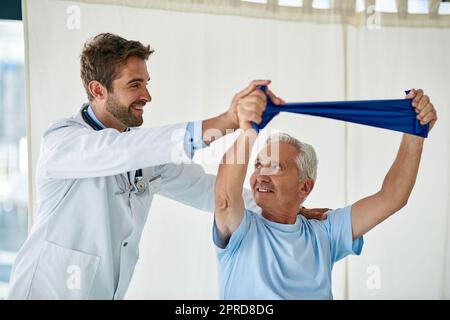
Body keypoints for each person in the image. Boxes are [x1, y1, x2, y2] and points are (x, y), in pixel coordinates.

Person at [7, 33, 325, 300]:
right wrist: (228, 121)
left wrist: (281, 207)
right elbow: (123, 150)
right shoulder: (63, 142)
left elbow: (208, 190)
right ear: (98, 90)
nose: (147, 95)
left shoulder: (142, 154)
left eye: (146, 82)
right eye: (135, 85)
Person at [213, 87, 437, 299]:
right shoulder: (242, 229)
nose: (261, 175)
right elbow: (224, 200)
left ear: (305, 187)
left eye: (275, 167)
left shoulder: (325, 230)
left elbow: (392, 197)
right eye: (258, 165)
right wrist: (248, 131)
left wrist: (415, 134)